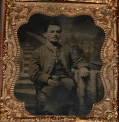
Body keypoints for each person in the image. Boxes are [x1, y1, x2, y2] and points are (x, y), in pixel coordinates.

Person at [29, 22, 90, 115]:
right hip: (47, 83)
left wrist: (83, 67)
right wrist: (48, 80)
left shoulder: (67, 50)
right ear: (45, 34)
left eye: (58, 32)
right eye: (52, 31)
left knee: (67, 84)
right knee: (60, 90)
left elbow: (78, 60)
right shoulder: (37, 52)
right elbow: (33, 73)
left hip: (65, 80)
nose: (55, 34)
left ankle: (48, 111)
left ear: (60, 35)